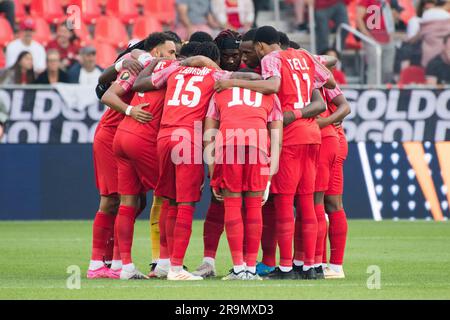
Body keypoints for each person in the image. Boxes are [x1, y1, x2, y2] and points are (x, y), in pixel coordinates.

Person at [214, 25, 335, 280]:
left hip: (290, 134)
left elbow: (273, 86)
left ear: (259, 46)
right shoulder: (305, 57)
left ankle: (288, 267)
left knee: (283, 204)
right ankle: (310, 265)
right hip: (313, 134)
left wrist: (232, 81)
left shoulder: (272, 58)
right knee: (307, 203)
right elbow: (327, 86)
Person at [148, 42, 260, 280]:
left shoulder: (174, 69)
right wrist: (208, 64)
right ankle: (177, 269)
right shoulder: (215, 73)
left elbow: (148, 80)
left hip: (164, 135)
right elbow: (251, 76)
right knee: (186, 205)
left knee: (169, 202)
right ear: (214, 58)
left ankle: (164, 263)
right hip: (187, 139)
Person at [86, 33, 175, 280]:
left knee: (135, 201)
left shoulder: (149, 67)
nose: (174, 57)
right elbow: (107, 95)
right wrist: (130, 110)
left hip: (127, 134)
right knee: (112, 200)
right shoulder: (134, 67)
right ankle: (97, 264)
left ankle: (116, 263)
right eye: (171, 51)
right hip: (113, 133)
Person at [204, 77, 283, 280]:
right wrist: (268, 179)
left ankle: (238, 268)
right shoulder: (270, 95)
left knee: (232, 206)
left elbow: (209, 134)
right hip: (258, 147)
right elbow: (277, 139)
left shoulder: (220, 92)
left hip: (228, 146)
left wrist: (214, 174)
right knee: (255, 208)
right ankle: (250, 268)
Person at [356, 0, 399, 84]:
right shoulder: (367, 1)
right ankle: (372, 90)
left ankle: (384, 90)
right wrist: (367, 36)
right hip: (373, 39)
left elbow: (393, 19)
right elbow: (358, 18)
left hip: (388, 38)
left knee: (388, 69)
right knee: (374, 67)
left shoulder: (389, 1)